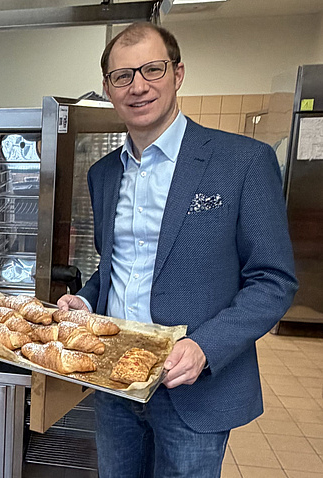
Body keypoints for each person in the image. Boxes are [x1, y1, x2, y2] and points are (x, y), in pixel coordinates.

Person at [57, 22, 298, 477]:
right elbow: (117, 265)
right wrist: (86, 301)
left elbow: (274, 280)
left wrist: (204, 347)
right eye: (122, 76)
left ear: (178, 74)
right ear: (108, 89)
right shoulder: (104, 173)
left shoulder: (242, 162)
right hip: (114, 381)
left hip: (192, 389)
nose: (138, 87)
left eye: (152, 69)